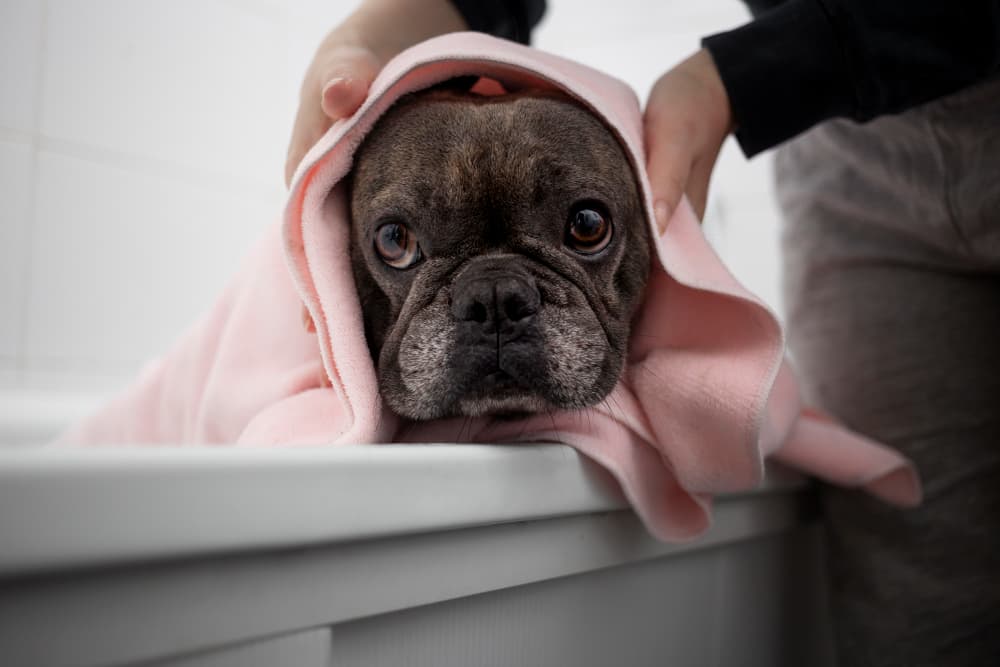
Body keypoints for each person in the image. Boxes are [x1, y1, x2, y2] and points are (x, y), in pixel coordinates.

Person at [286, 1, 1000, 664]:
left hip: (852, 71)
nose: (497, 306)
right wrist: (382, 27)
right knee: (919, 603)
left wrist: (741, 78)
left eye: (584, 227)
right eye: (399, 242)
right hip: (851, 141)